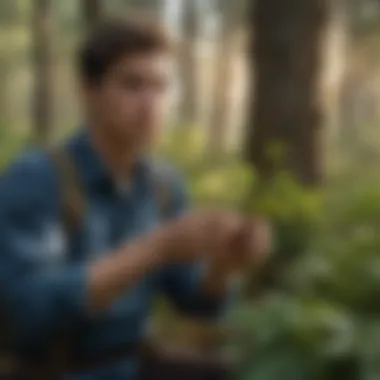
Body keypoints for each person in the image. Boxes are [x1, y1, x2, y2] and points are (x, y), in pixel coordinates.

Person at [0, 17, 271, 380]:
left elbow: (196, 304)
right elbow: (27, 311)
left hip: (134, 365)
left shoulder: (163, 186)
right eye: (132, 85)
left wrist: (223, 264)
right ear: (89, 89)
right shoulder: (38, 178)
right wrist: (154, 249)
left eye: (160, 87)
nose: (150, 103)